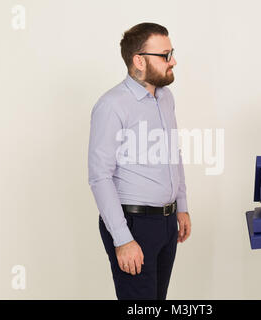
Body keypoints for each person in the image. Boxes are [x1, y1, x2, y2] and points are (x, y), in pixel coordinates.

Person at [88, 22, 191, 300]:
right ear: (139, 61)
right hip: (133, 224)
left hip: (167, 224)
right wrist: (122, 239)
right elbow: (100, 177)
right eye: (165, 55)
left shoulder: (165, 98)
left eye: (172, 53)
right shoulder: (112, 105)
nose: (174, 61)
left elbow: (173, 154)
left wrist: (181, 207)